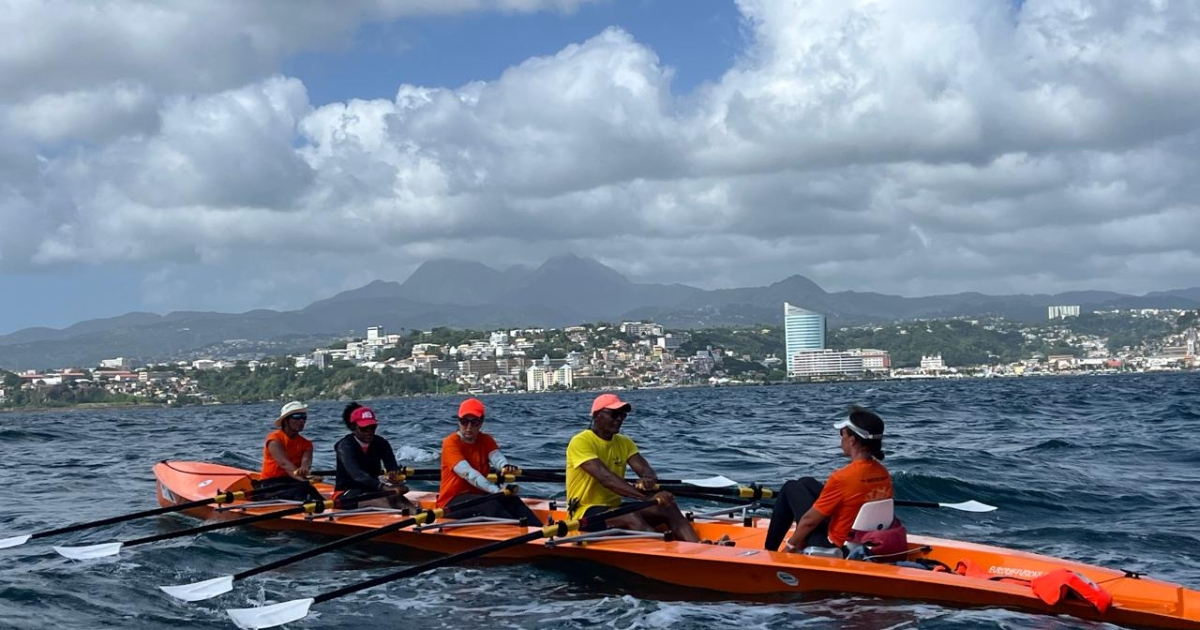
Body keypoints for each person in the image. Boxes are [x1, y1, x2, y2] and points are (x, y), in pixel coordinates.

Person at [564, 393, 700, 543]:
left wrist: (647, 479)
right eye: (614, 414)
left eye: (623, 415)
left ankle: (698, 548)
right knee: (630, 515)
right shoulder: (581, 442)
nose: (619, 419)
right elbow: (607, 479)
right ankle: (668, 553)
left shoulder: (624, 442)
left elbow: (646, 469)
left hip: (614, 507)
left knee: (668, 506)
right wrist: (647, 498)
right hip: (584, 513)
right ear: (597, 415)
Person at [767, 405, 895, 554]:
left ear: (852, 440)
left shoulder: (843, 477)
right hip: (863, 537)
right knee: (806, 482)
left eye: (842, 433)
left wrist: (790, 546)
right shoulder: (883, 472)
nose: (841, 439)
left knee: (790, 487)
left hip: (834, 545)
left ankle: (769, 552)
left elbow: (809, 522)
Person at [437, 398, 543, 526]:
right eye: (464, 422)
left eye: (474, 422)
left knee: (511, 500)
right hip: (450, 502)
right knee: (491, 504)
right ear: (459, 421)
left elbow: (497, 458)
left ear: (481, 423)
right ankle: (520, 537)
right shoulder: (450, 443)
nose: (469, 427)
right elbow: (469, 474)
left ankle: (538, 530)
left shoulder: (486, 440)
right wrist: (496, 490)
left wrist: (505, 466)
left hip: (478, 497)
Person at [333, 402, 418, 512]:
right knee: (381, 502)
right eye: (364, 428)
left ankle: (419, 517)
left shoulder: (381, 443)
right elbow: (358, 475)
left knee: (398, 498)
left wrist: (395, 478)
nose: (369, 432)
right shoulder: (345, 446)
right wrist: (384, 487)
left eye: (372, 427)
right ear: (353, 427)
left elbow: (392, 467)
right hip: (346, 493)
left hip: (372, 489)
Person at [254, 401, 323, 502]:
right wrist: (305, 480)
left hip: (293, 481)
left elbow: (306, 462)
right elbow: (285, 464)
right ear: (285, 421)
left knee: (310, 491)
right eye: (297, 416)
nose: (301, 421)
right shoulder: (274, 439)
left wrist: (305, 470)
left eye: (304, 417)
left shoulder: (306, 444)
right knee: (302, 490)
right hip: (270, 485)